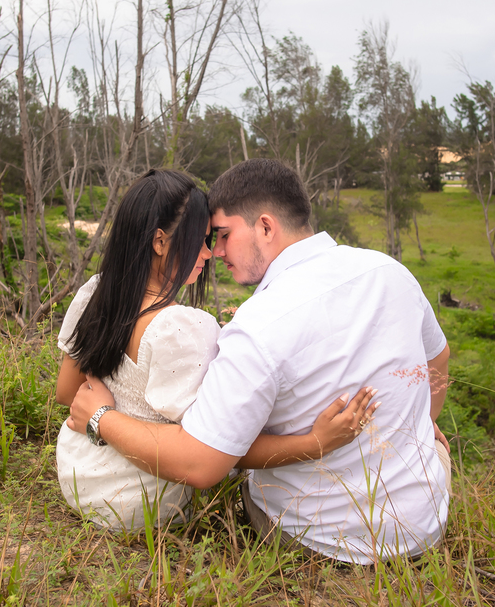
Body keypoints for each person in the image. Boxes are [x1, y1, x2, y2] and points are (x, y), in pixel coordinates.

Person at [69, 160, 451, 562]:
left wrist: (101, 418)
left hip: (317, 539)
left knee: (244, 468)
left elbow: (200, 465)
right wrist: (420, 422)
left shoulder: (259, 323)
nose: (215, 251)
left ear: (265, 227)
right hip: (425, 525)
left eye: (223, 235)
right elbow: (437, 359)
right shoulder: (389, 270)